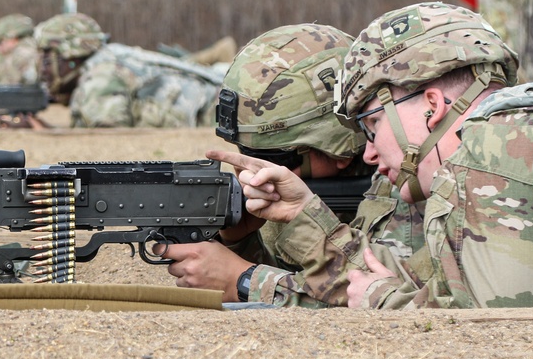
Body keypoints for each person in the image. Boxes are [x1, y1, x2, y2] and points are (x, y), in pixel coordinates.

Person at [215, 1, 533, 309]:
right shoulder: (512, 136)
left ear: (432, 106)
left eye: (373, 123)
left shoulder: (497, 143)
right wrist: (299, 217)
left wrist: (381, 299)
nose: (369, 151)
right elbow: (421, 280)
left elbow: (499, 327)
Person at [156, 23, 423, 306]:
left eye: (275, 158)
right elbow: (298, 278)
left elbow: (370, 300)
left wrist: (242, 281)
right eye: (247, 155)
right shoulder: (291, 188)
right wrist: (240, 240)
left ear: (339, 147)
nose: (255, 172)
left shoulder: (414, 192)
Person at [33, 12, 225, 128]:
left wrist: (49, 134)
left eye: (49, 56)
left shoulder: (102, 74)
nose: (43, 68)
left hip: (218, 116)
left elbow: (104, 140)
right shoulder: (107, 59)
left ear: (72, 54)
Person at [0, 13, 39, 86]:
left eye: (1, 41)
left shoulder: (22, 54)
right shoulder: (38, 49)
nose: (0, 47)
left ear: (14, 38)